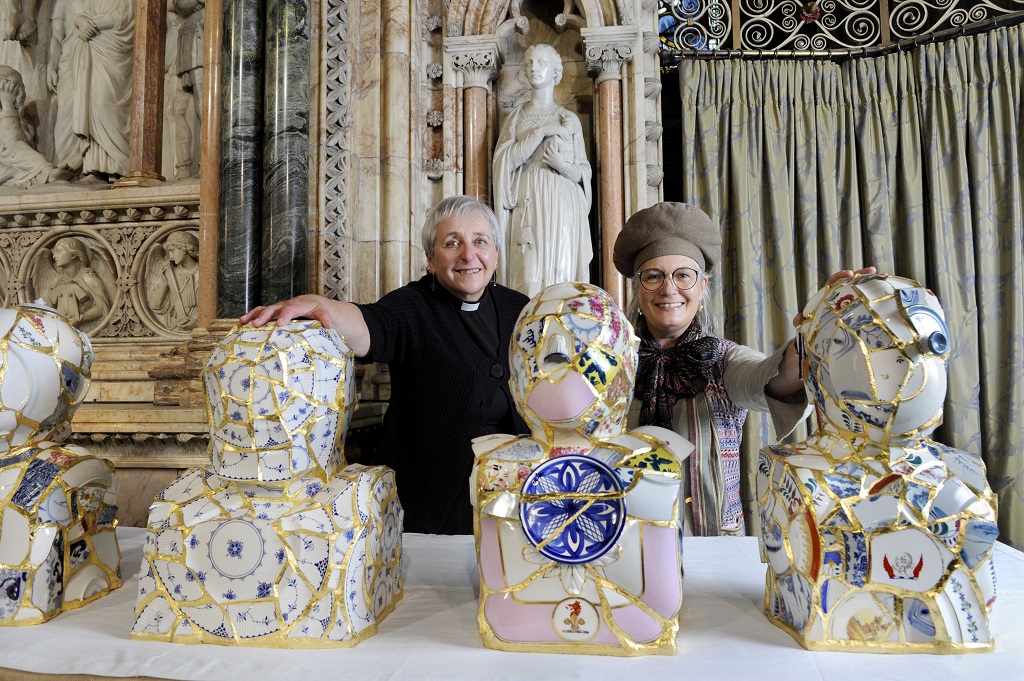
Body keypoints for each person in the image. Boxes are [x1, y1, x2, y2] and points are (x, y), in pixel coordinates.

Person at [241, 196, 530, 534]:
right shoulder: (414, 305)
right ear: (431, 261)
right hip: (435, 509)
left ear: (494, 253)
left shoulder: (519, 308)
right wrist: (320, 305)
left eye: (480, 241)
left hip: (512, 502)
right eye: (452, 243)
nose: (468, 254)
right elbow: (368, 323)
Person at [612, 201, 873, 536]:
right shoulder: (611, 365)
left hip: (714, 550)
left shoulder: (724, 360)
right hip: (624, 545)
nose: (668, 288)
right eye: (653, 276)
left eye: (683, 276)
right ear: (636, 288)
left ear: (702, 287)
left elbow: (769, 377)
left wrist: (820, 328)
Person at [493, 43, 592, 298]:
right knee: (527, 275)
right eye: (529, 63)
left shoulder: (568, 119)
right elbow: (503, 161)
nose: (534, 68)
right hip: (528, 197)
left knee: (562, 273)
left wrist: (563, 166)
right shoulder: (517, 117)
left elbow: (584, 172)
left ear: (556, 71)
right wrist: (538, 134)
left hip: (562, 201)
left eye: (541, 63)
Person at [47, 0, 134, 180]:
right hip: (78, 59)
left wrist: (92, 23)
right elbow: (57, 35)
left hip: (108, 55)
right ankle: (79, 166)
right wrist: (51, 66)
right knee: (74, 111)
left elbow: (127, 16)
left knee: (103, 104)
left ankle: (115, 166)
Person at [40, 236, 113, 330]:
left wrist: (79, 319)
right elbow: (49, 309)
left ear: (74, 254)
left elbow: (102, 307)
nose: (54, 256)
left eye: (59, 251)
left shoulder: (87, 278)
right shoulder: (57, 282)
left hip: (86, 331)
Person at [147, 231, 199, 331]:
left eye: (172, 250)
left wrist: (198, 323)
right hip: (174, 326)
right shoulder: (170, 273)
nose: (170, 256)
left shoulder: (203, 273)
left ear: (184, 248)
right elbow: (155, 305)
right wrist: (166, 282)